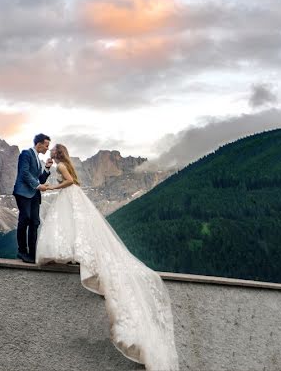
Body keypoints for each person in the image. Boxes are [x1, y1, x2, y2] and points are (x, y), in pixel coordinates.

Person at [37, 143, 179, 371]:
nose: (51, 151)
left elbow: (70, 182)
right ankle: (71, 253)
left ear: (58, 153)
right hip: (72, 197)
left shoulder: (62, 165)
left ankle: (69, 254)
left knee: (68, 225)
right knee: (73, 226)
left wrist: (50, 188)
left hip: (67, 195)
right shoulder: (62, 164)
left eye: (53, 150)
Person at [12, 133, 53, 264]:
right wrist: (37, 185)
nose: (47, 148)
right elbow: (24, 173)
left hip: (34, 195)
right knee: (25, 219)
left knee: (35, 222)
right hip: (23, 193)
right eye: (46, 145)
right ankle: (22, 251)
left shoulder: (38, 161)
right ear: (39, 144)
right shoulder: (26, 154)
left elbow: (39, 179)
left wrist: (46, 168)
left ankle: (33, 254)